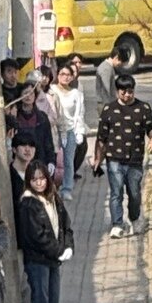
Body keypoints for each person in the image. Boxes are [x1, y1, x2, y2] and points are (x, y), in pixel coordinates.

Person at [92, 70, 152, 239]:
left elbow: (151, 127)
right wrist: (98, 159)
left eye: (130, 91)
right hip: (114, 159)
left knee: (134, 193)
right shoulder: (109, 109)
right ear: (117, 91)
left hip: (135, 159)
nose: (127, 95)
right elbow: (101, 137)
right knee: (116, 193)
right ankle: (117, 224)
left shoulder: (143, 108)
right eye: (124, 92)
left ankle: (135, 218)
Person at [17, 160, 73, 303]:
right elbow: (37, 236)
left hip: (52, 260)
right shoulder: (28, 203)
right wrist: (58, 251)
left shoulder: (53, 198)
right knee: (41, 302)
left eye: (42, 178)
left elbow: (65, 224)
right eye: (34, 179)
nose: (39, 183)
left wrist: (68, 246)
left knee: (53, 302)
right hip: (38, 260)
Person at [51, 61, 89, 206]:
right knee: (53, 160)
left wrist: (79, 131)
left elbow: (79, 114)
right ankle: (51, 187)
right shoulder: (52, 91)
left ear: (72, 77)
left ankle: (67, 188)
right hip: (54, 130)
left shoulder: (76, 94)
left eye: (68, 75)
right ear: (57, 75)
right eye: (62, 74)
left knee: (68, 161)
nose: (65, 77)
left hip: (69, 130)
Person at [8, 82, 56, 172]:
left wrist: (51, 161)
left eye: (31, 93)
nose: (28, 96)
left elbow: (48, 141)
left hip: (40, 160)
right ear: (20, 96)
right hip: (20, 162)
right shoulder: (14, 117)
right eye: (25, 93)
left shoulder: (42, 117)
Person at [9, 129, 39, 221]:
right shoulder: (8, 176)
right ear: (14, 149)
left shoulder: (39, 175)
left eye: (31, 146)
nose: (28, 149)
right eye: (23, 145)